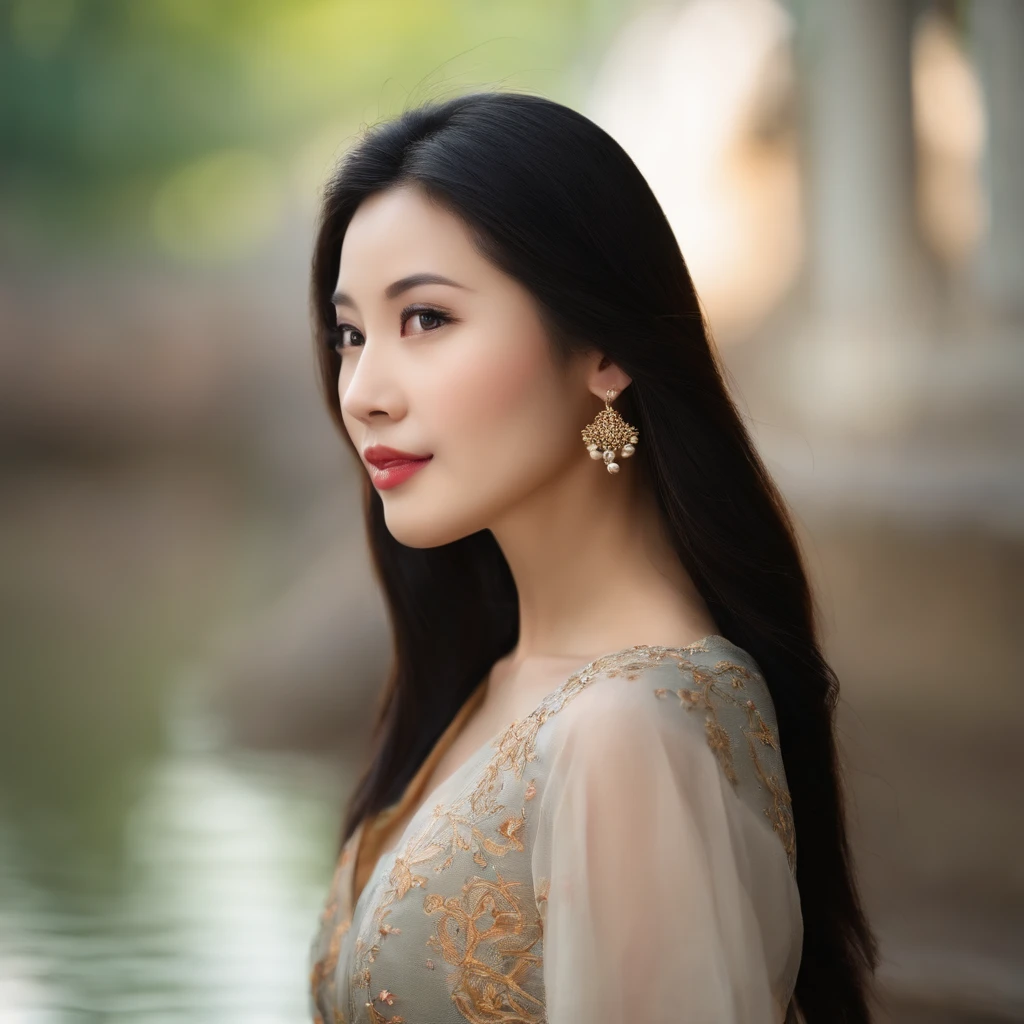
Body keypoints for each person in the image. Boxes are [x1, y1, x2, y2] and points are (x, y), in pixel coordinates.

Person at [305, 90, 877, 1024]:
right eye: (350, 334)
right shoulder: (495, 681)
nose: (363, 391)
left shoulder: (625, 732)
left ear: (603, 349)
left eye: (426, 320)